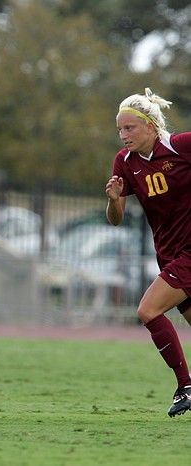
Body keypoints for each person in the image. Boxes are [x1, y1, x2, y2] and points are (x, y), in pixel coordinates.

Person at [105, 88, 191, 417]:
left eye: (130, 128)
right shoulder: (124, 163)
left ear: (151, 126)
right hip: (169, 254)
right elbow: (116, 220)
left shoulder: (180, 146)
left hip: (189, 252)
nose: (123, 135)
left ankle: (185, 386)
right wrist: (113, 200)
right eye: (120, 130)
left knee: (148, 311)